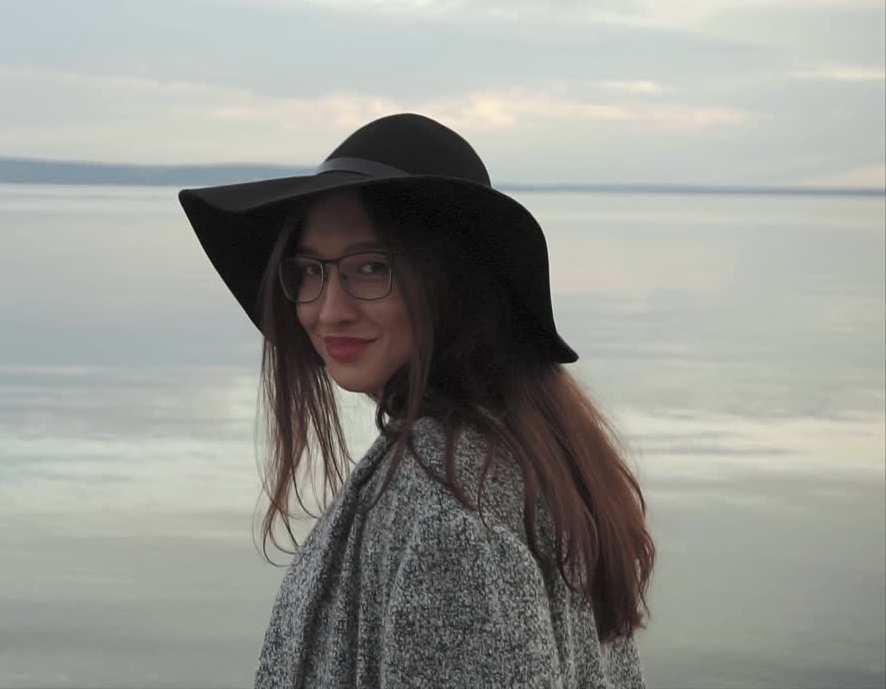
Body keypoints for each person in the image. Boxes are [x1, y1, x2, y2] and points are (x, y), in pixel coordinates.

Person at [178, 113, 655, 688]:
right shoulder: (532, 455)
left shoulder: (446, 518)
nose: (328, 309)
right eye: (309, 271)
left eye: (371, 267)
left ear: (452, 283)